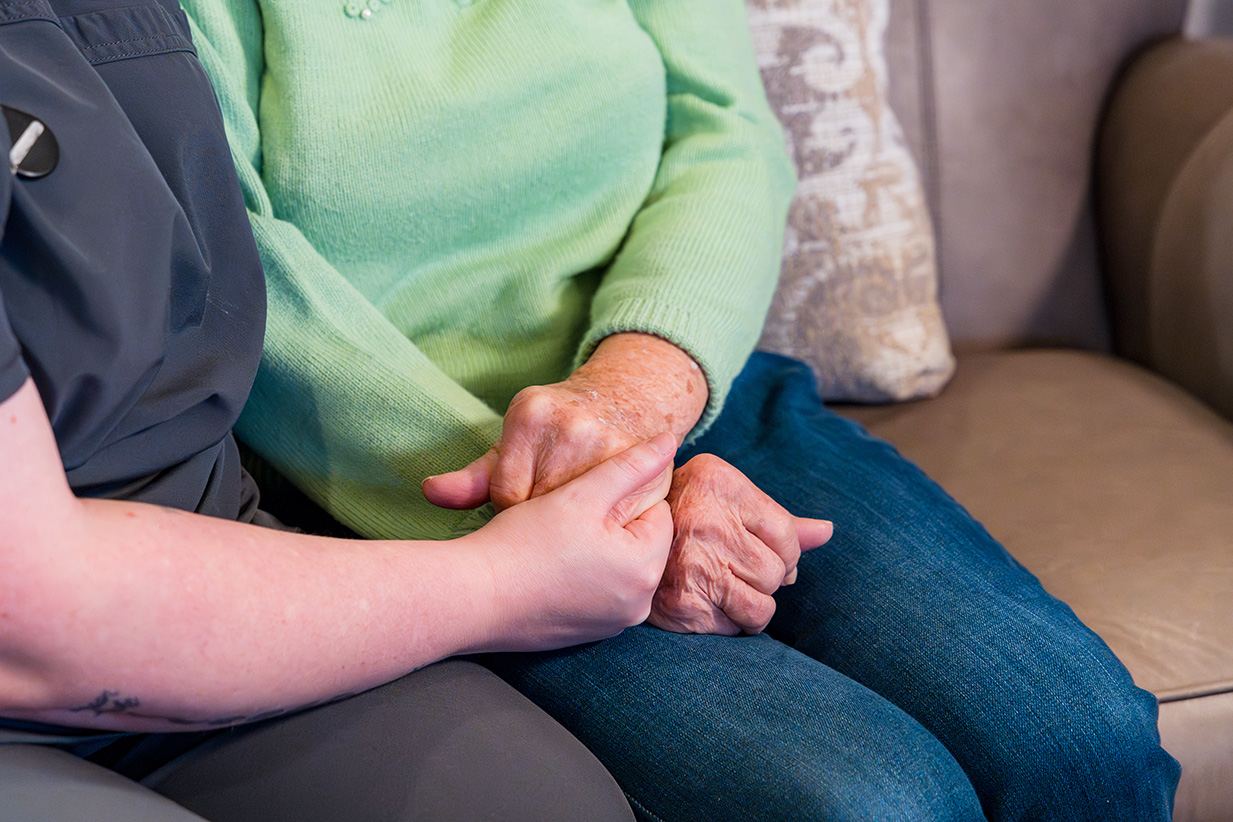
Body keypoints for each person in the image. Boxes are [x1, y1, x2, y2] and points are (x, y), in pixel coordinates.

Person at [179, 0, 1182, 819]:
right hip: (416, 474)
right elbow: (232, 270)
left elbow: (729, 134)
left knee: (1082, 741)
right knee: (870, 806)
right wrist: (582, 500)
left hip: (685, 378)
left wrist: (640, 393)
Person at [0, 2, 746, 819]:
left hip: (662, 399)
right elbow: (36, 615)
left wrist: (632, 410)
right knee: (846, 790)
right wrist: (521, 554)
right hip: (77, 624)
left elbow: (731, 131)